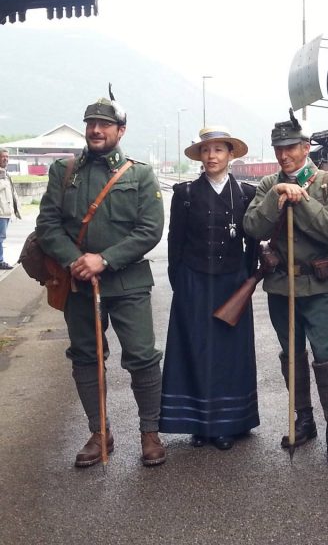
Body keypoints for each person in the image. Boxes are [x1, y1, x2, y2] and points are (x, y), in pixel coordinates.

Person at [35, 94, 166, 467]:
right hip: (78, 282)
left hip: (129, 283)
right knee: (86, 357)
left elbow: (150, 229)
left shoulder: (140, 174)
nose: (95, 130)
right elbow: (47, 225)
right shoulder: (65, 171)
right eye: (91, 123)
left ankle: (150, 433)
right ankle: (99, 431)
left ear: (120, 130)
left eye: (104, 124)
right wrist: (76, 261)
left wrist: (104, 259)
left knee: (142, 357)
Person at [243, 111, 328, 465]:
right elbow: (253, 228)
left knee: (326, 356)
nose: (284, 154)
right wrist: (277, 194)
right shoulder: (267, 185)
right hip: (281, 286)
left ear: (306, 147)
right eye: (278, 148)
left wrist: (301, 199)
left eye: (290, 147)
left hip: (319, 286)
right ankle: (304, 419)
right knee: (291, 355)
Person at [159, 127, 260, 451]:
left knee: (229, 354)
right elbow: (175, 242)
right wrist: (179, 282)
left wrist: (248, 280)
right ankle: (199, 425)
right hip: (193, 281)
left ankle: (227, 425)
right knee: (196, 349)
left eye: (218, 150)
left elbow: (253, 242)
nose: (212, 156)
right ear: (200, 157)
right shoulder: (185, 193)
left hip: (233, 283)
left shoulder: (246, 193)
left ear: (230, 155)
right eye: (206, 150)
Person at [0, 148, 22, 269]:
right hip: (1, 213)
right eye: (3, 156)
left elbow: (11, 192)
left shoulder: (5, 173)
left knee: (1, 237)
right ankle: (0, 261)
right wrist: (2, 180)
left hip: (6, 212)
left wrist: (17, 207)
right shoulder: (2, 174)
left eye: (7, 157)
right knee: (0, 237)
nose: (6, 159)